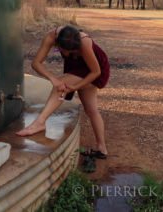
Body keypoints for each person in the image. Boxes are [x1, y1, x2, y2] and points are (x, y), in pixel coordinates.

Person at [16, 25, 110, 157]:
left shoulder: (83, 42)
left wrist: (76, 86)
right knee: (90, 109)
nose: (72, 54)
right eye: (69, 52)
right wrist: (52, 79)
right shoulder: (50, 37)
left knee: (63, 85)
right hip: (77, 67)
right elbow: (36, 63)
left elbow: (96, 71)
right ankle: (102, 149)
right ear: (58, 45)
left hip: (94, 70)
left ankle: (39, 123)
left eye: (75, 51)